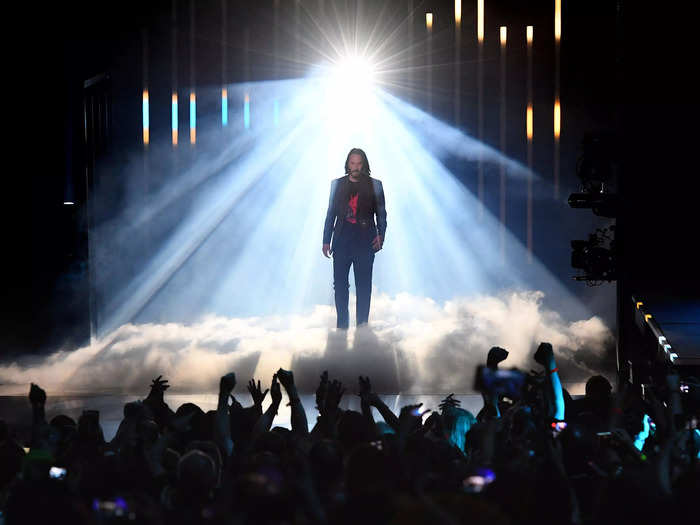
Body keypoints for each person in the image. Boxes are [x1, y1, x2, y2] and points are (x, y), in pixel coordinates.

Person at [322, 148, 387, 329]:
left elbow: (381, 215)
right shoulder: (337, 185)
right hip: (341, 241)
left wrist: (381, 235)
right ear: (347, 164)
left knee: (364, 287)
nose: (355, 167)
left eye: (359, 164)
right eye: (352, 163)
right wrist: (326, 240)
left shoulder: (376, 185)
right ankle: (342, 326)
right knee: (340, 286)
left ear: (364, 164)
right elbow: (330, 214)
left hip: (365, 242)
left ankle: (362, 327)